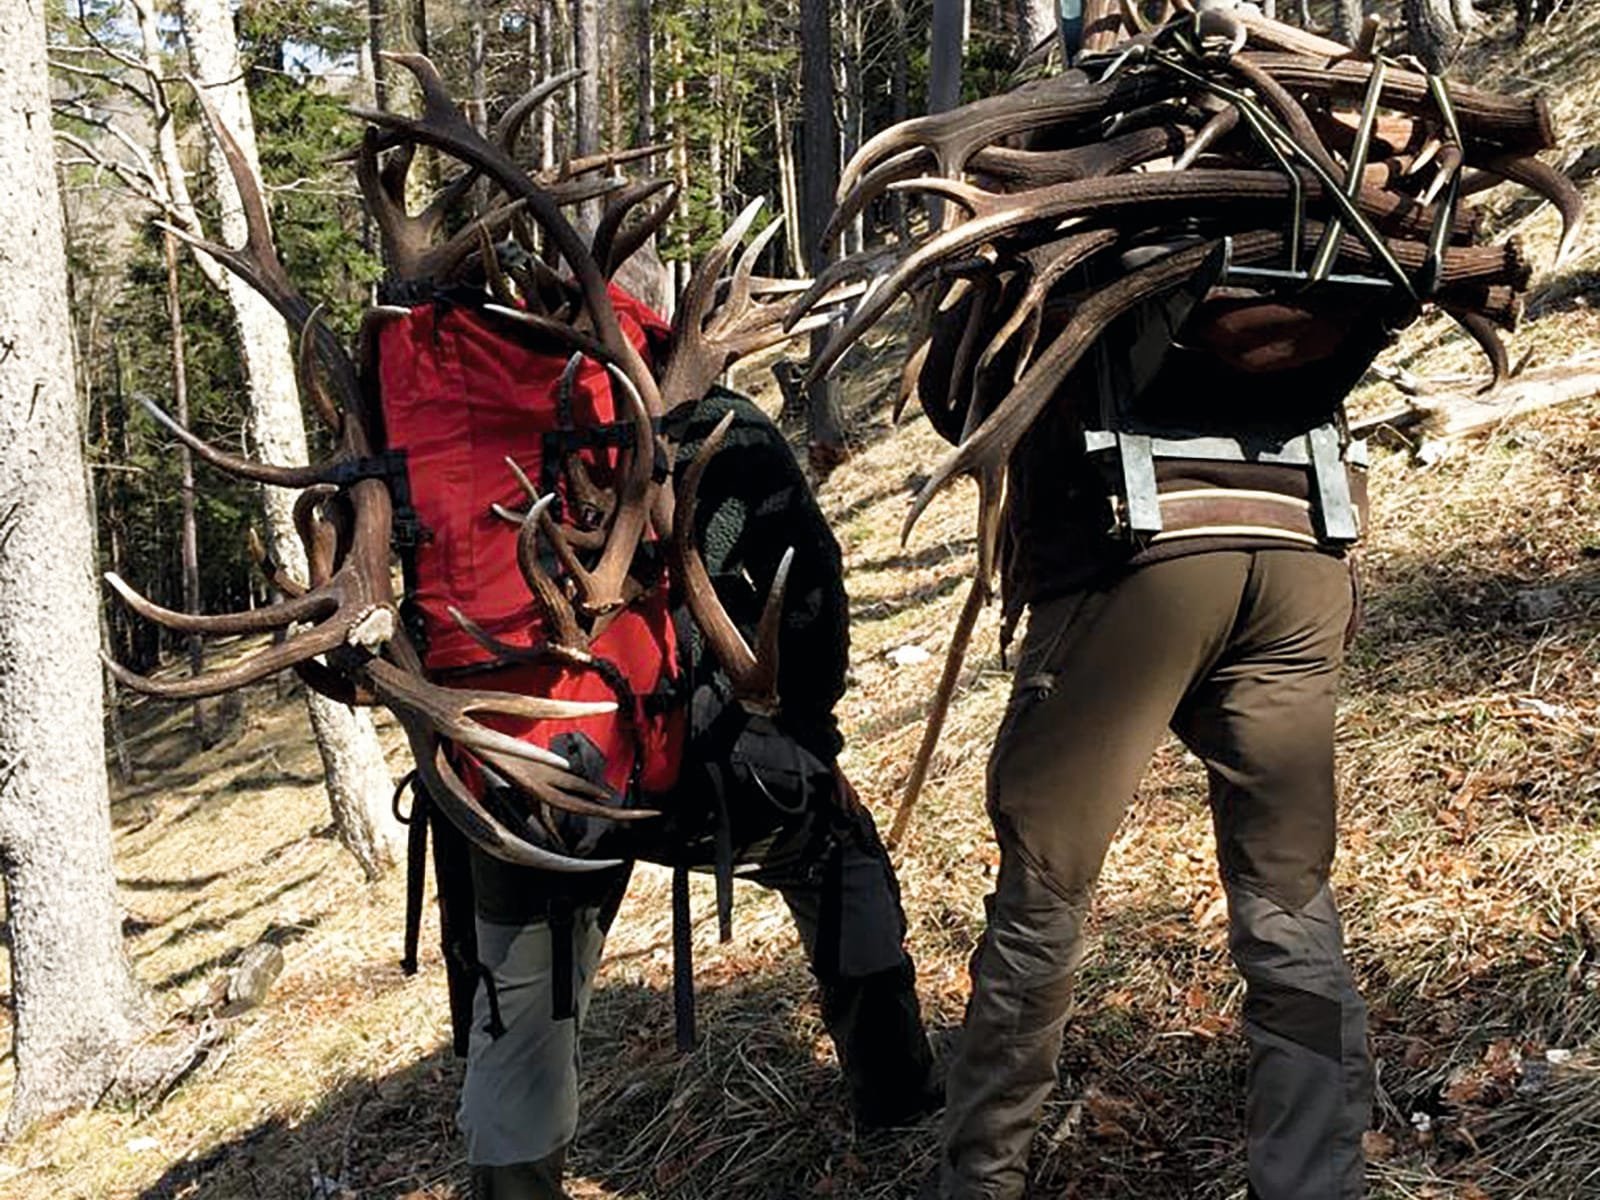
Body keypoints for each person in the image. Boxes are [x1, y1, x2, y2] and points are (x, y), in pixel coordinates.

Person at [922, 265, 1409, 1200]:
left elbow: (959, 401)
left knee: (1044, 891)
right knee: (1288, 891)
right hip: (1303, 558)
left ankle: (979, 1181)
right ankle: (1315, 1181)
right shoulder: (1318, 236)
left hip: (1134, 561)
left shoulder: (1069, 233)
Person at [419, 382, 939, 1200]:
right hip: (714, 767)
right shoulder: (713, 420)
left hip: (534, 777)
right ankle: (900, 1101)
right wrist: (815, 743)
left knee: (518, 1026)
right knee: (840, 856)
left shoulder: (458, 427)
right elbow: (809, 609)